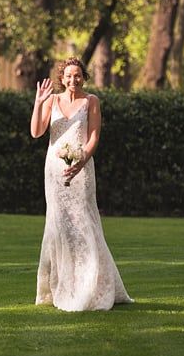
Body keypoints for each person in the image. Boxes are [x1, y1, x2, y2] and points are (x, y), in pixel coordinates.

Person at [30, 57, 132, 311]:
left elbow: (94, 136)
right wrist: (39, 102)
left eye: (77, 75)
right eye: (68, 76)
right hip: (54, 172)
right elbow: (36, 132)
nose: (72, 80)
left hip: (82, 169)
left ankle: (93, 286)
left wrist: (80, 161)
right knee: (58, 225)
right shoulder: (52, 100)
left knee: (84, 221)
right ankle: (60, 285)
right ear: (61, 78)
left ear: (83, 77)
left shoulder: (91, 101)